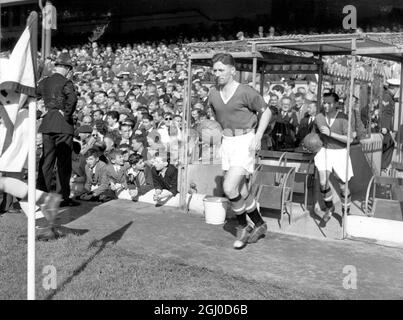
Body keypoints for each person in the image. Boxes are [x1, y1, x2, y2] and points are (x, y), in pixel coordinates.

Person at [208, 53, 272, 249]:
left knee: (229, 188)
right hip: (228, 142)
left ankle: (243, 226)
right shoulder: (212, 93)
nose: (217, 73)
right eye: (215, 70)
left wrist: (258, 137)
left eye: (221, 70)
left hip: (245, 141)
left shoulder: (245, 91)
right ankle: (260, 224)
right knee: (242, 190)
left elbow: (266, 112)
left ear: (233, 71)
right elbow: (216, 119)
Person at [36, 52, 80, 207]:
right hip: (62, 125)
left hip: (48, 124)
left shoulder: (44, 82)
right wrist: (66, 114)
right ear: (67, 68)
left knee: (46, 161)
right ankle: (62, 197)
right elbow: (72, 99)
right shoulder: (66, 82)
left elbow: (34, 96)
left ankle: (41, 196)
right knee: (63, 163)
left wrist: (41, 112)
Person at [314, 92, 354, 224]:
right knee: (323, 182)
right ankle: (329, 207)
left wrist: (331, 134)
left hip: (340, 151)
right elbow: (315, 135)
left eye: (329, 103)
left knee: (343, 186)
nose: (326, 105)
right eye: (324, 102)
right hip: (324, 150)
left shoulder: (343, 118)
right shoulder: (319, 117)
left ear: (336, 104)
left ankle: (345, 212)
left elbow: (350, 139)